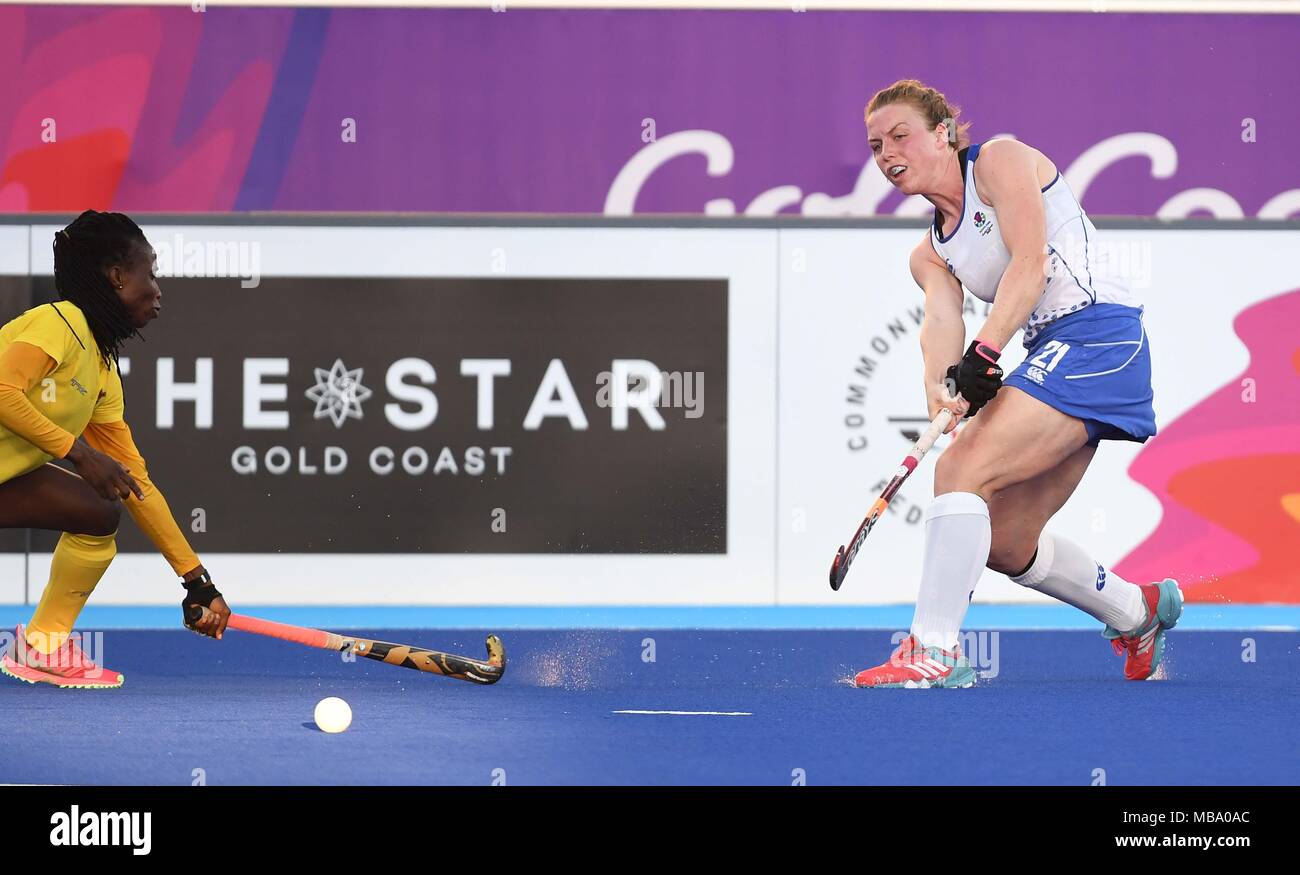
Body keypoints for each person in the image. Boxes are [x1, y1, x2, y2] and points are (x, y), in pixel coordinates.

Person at [853, 80, 1181, 688]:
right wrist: (944, 391)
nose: (886, 153)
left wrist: (986, 352)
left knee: (958, 473)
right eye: (875, 145)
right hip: (1050, 354)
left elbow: (1031, 262)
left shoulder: (1000, 162)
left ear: (943, 133)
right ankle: (1140, 612)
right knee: (1006, 542)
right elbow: (940, 325)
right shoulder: (928, 254)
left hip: (1099, 338)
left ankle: (932, 652)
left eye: (900, 135)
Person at [0, 210, 230, 688]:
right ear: (117, 276)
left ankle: (42, 644)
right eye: (152, 273)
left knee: (99, 509)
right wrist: (80, 454)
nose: (158, 290)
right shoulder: (56, 323)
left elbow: (134, 482)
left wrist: (196, 582)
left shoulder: (101, 370)